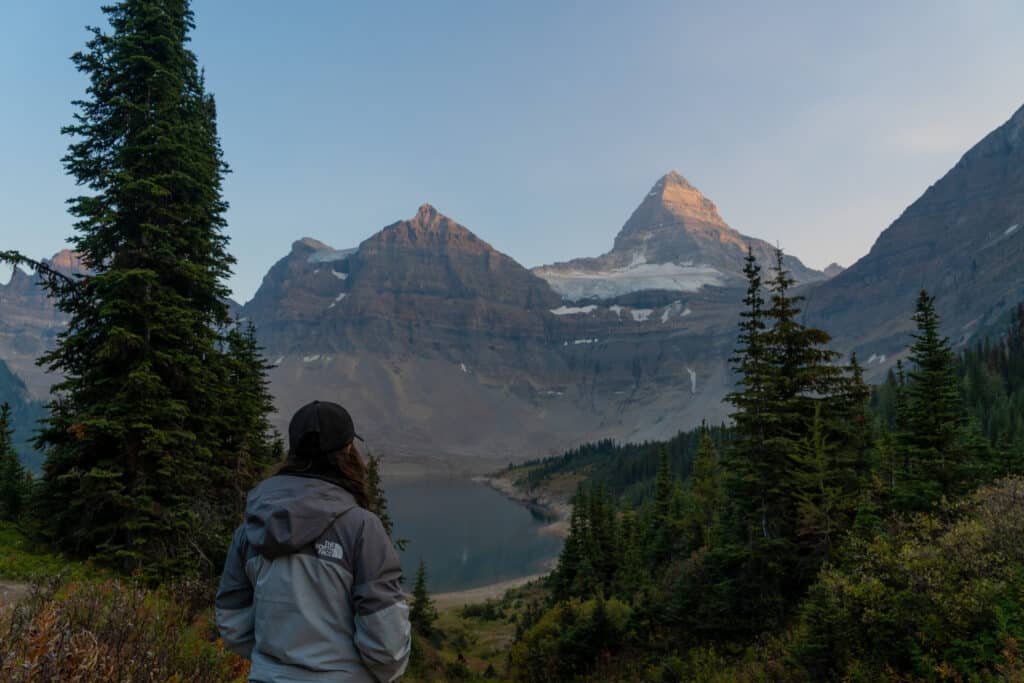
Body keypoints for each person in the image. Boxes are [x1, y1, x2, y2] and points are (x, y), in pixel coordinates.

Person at [216, 400, 411, 682]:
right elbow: (387, 646)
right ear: (348, 452)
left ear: (293, 452)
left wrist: (275, 667)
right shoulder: (361, 528)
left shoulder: (250, 529)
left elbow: (232, 624)